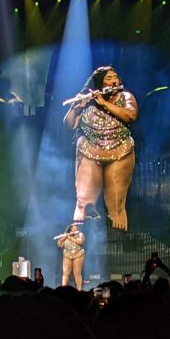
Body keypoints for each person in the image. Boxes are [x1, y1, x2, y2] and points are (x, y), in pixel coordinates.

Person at [64, 65, 138, 230]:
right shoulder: (90, 100)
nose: (114, 81)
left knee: (116, 204)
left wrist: (104, 103)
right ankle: (76, 241)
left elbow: (131, 115)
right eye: (109, 78)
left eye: (115, 77)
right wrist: (76, 107)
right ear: (100, 83)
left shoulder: (125, 96)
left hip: (120, 150)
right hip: (90, 150)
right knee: (83, 202)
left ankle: (119, 244)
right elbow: (69, 124)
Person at [56, 224, 85, 290]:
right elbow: (59, 245)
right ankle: (63, 289)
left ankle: (79, 290)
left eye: (77, 228)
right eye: (74, 228)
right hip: (67, 256)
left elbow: (81, 242)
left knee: (77, 273)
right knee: (65, 273)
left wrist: (71, 237)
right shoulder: (66, 235)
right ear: (70, 229)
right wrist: (63, 237)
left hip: (78, 255)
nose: (76, 229)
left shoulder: (80, 234)